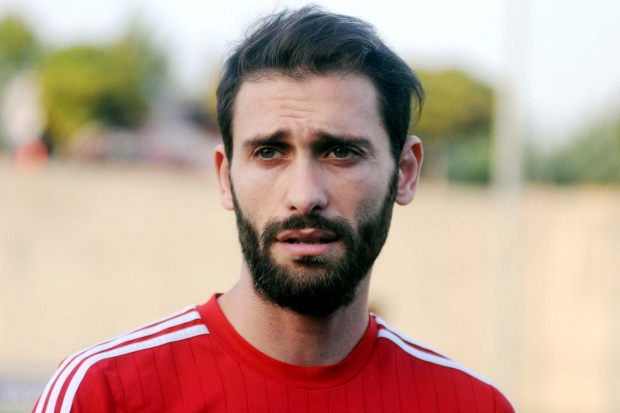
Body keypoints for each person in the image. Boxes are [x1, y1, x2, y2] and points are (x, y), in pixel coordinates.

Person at [33, 6, 515, 413]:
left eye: (340, 152)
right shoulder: (103, 393)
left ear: (405, 172)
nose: (304, 195)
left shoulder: (474, 406)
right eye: (269, 152)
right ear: (225, 177)